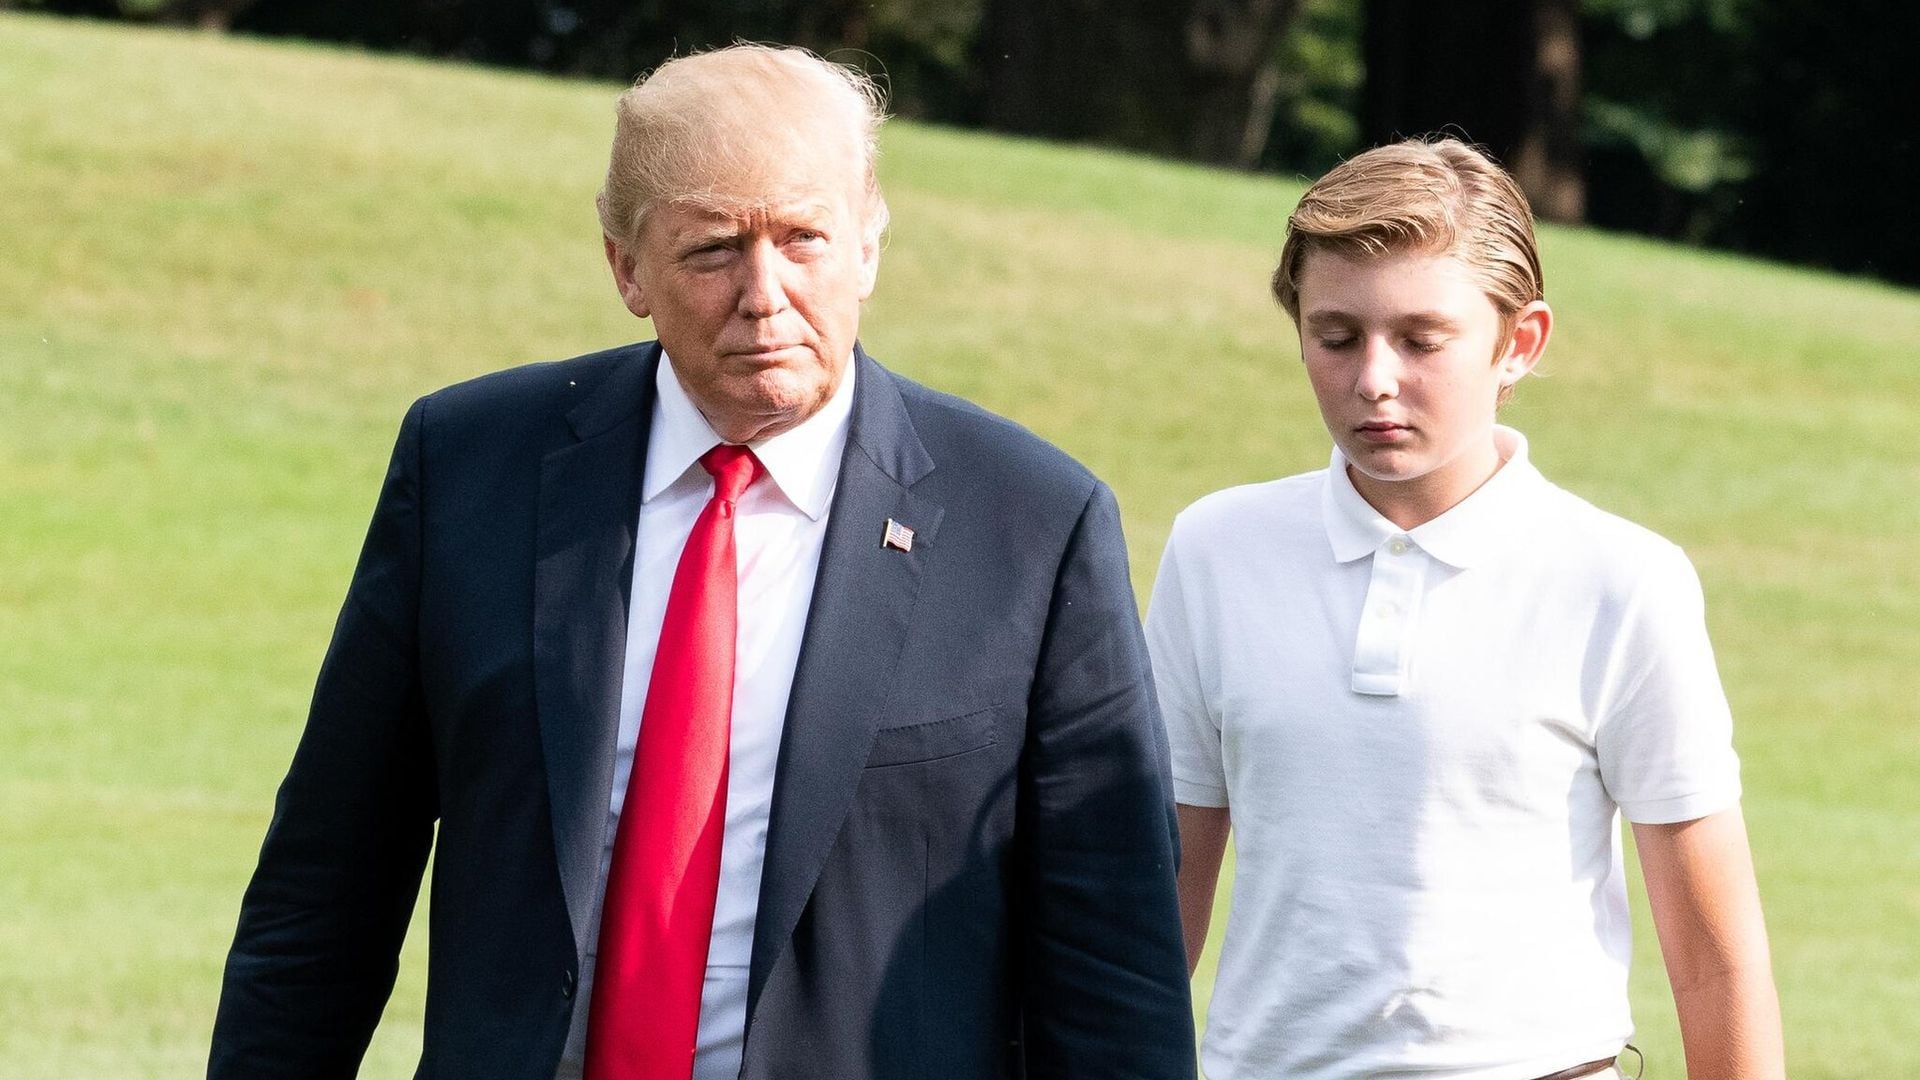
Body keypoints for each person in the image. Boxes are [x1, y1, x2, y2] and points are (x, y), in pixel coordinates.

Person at [209, 44, 1194, 1080]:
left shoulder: (1032, 525)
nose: (764, 294)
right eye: (714, 249)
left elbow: (1113, 966)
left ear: (869, 244)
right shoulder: (470, 470)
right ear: (625, 268)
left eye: (803, 239)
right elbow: (326, 892)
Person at [1146, 138, 1784, 1080]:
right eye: (1336, 336)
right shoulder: (1216, 550)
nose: (1374, 379)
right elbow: (1161, 907)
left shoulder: (1621, 581)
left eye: (1420, 339)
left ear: (1517, 343)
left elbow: (1713, 959)